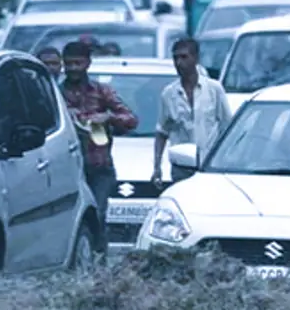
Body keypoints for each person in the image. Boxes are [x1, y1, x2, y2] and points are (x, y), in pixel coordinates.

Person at [59, 41, 138, 234]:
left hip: (98, 166)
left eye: (78, 63)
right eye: (69, 64)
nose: (73, 69)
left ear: (88, 63)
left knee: (97, 216)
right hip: (67, 168)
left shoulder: (102, 91)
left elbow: (131, 119)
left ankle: (98, 259)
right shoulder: (56, 93)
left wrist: (107, 118)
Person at [153, 38, 233, 185]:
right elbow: (162, 132)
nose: (179, 63)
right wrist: (157, 167)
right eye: (175, 58)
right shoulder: (169, 94)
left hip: (209, 166)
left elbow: (227, 128)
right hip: (181, 167)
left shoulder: (214, 89)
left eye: (184, 57)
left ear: (196, 58)